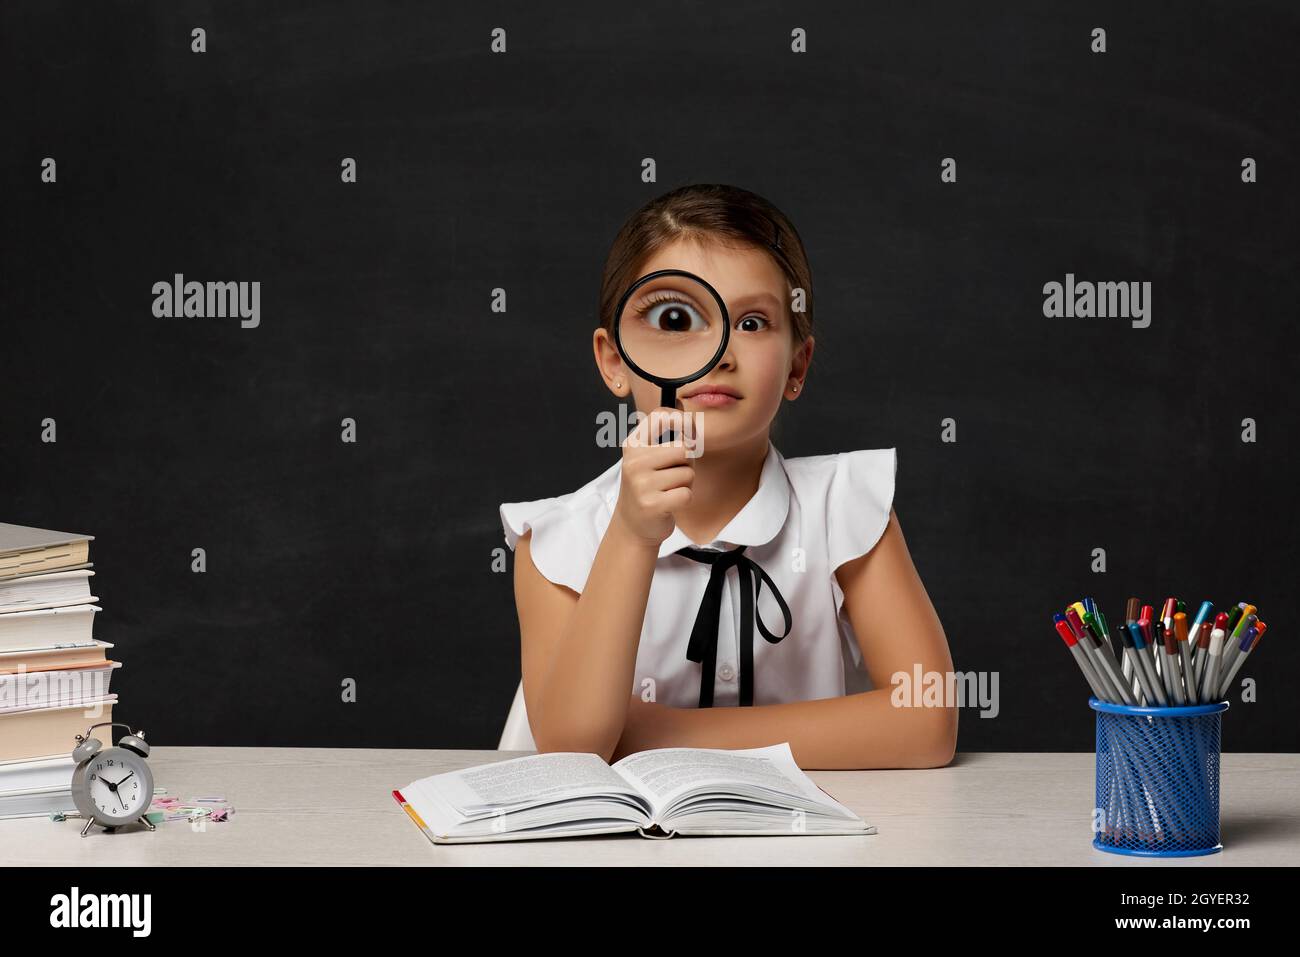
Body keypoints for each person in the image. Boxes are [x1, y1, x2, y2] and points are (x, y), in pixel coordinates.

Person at [500, 184, 956, 769]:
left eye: (752, 321)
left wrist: (659, 732)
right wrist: (633, 535)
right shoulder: (557, 538)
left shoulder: (844, 506)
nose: (718, 354)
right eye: (674, 318)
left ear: (798, 364)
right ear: (615, 361)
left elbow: (927, 718)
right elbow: (573, 747)